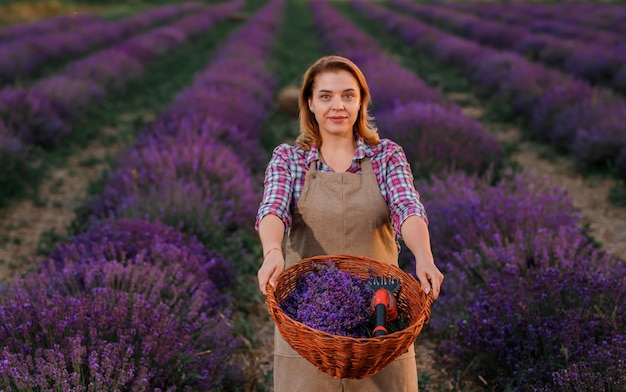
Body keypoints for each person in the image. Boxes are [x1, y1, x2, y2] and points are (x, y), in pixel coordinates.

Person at [255, 55, 444, 391]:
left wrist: (424, 256)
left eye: (348, 95)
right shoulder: (290, 159)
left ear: (361, 102)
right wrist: (272, 251)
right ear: (310, 103)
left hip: (379, 322)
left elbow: (407, 208)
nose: (337, 105)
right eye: (325, 96)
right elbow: (273, 208)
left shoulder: (386, 156)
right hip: (309, 323)